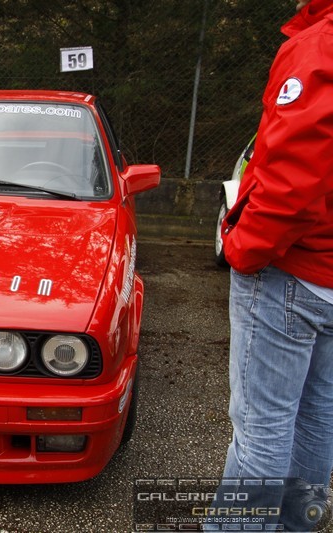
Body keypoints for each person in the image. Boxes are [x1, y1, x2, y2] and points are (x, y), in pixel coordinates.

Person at [214, 0, 333, 530]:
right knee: (317, 416)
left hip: (293, 269)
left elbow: (294, 178)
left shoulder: (320, 46)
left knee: (262, 428)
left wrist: (243, 247)